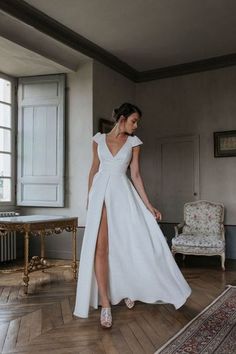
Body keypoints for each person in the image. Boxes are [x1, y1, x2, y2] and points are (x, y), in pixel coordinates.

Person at [73, 102, 191, 328]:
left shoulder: (134, 143)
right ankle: (105, 303)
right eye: (134, 121)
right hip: (100, 195)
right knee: (101, 248)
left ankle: (130, 288)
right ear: (122, 118)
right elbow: (93, 169)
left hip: (122, 196)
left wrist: (148, 205)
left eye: (137, 122)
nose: (136, 126)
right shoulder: (98, 140)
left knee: (130, 244)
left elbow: (135, 175)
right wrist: (90, 197)